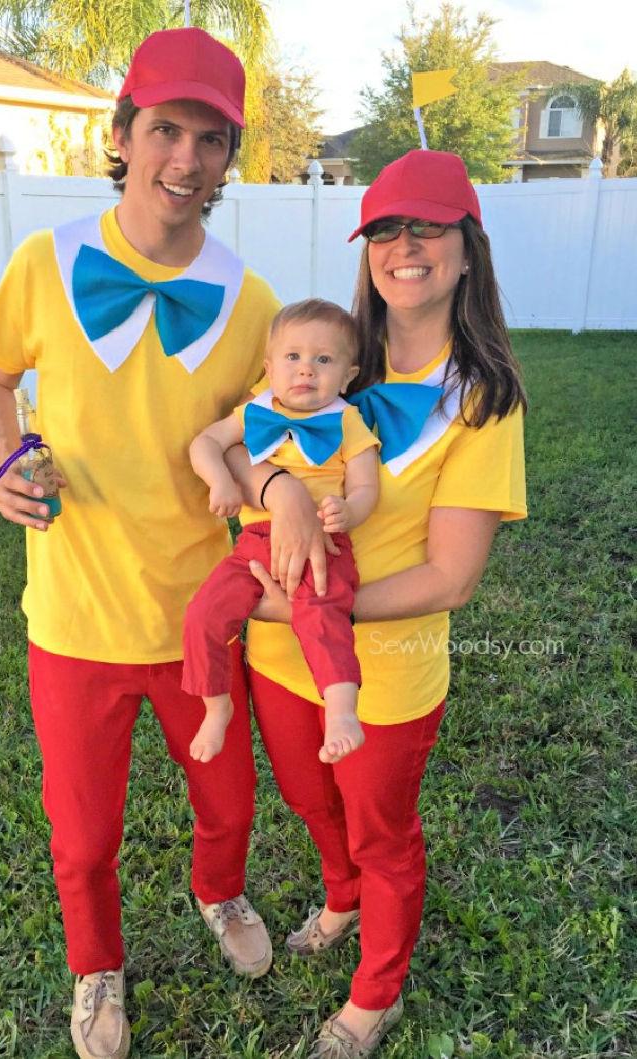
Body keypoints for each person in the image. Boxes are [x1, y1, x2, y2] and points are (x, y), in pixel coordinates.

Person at [0, 27, 280, 1059]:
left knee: (228, 804)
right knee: (86, 834)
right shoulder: (47, 262)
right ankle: (96, 969)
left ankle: (220, 895)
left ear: (229, 159)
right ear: (121, 133)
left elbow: (267, 444)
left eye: (209, 138)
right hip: (72, 617)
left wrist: (264, 496)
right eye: (165, 130)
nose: (184, 159)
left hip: (202, 619)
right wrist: (9, 460)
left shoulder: (252, 304)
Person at [231, 149, 528, 1057]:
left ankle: (377, 991)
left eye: (428, 228)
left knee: (382, 829)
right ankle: (340, 895)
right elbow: (243, 445)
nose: (406, 247)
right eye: (387, 230)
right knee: (309, 799)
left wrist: (311, 610)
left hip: (384, 677)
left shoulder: (482, 401)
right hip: (278, 660)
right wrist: (279, 486)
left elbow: (452, 577)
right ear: (367, 249)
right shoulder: (329, 356)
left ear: (466, 250)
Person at [182, 299, 380, 765]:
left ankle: (340, 710)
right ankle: (216, 704)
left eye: (323, 360)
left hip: (323, 547)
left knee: (324, 612)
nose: (306, 369)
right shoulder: (255, 410)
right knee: (204, 613)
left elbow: (367, 484)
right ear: (269, 367)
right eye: (292, 357)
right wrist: (221, 481)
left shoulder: (346, 420)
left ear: (348, 376)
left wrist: (349, 510)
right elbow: (205, 443)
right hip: (254, 547)